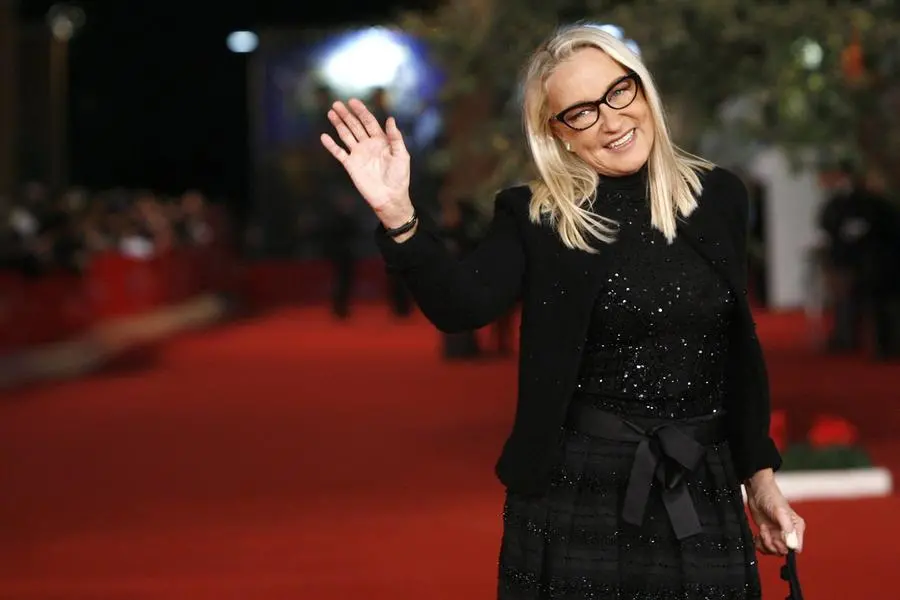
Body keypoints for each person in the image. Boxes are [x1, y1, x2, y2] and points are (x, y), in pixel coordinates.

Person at [321, 23, 805, 600]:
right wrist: (399, 214)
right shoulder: (538, 216)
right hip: (582, 486)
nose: (610, 120)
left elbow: (737, 354)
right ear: (558, 135)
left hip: (703, 478)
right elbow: (460, 307)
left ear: (643, 90)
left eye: (618, 92)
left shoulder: (718, 196)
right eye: (580, 113)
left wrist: (761, 477)